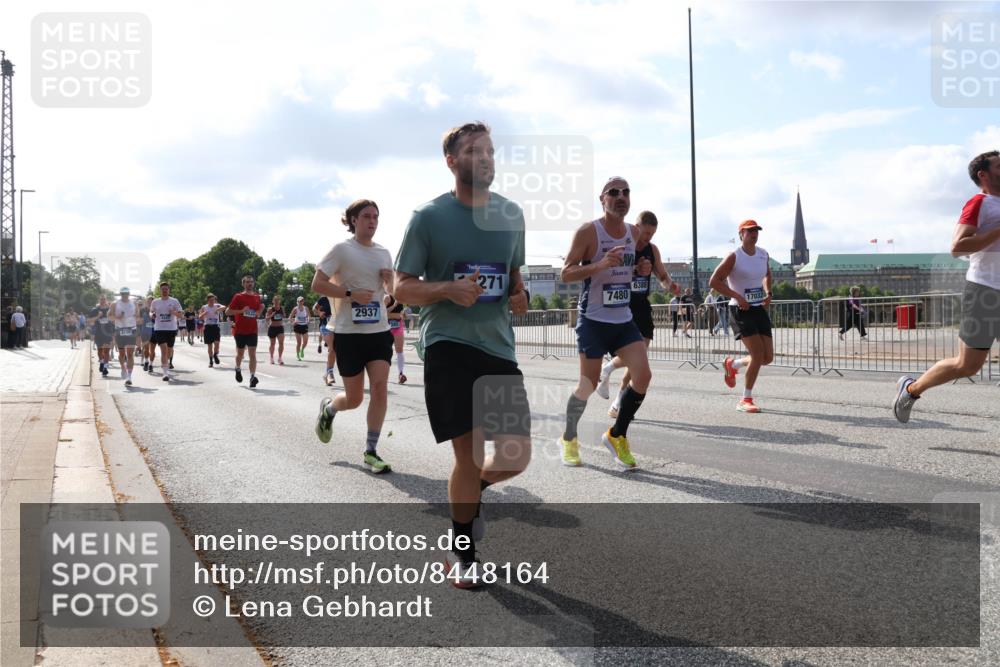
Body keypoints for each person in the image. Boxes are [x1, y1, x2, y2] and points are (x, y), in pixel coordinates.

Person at [394, 122, 531, 586]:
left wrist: (519, 294)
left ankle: (468, 499)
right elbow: (401, 287)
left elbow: (515, 277)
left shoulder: (512, 214)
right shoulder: (428, 217)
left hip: (498, 346)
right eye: (475, 151)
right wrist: (447, 289)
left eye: (491, 150)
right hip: (448, 345)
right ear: (452, 161)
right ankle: (462, 550)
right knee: (468, 456)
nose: (487, 157)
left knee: (515, 456)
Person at [894, 150, 1000, 423]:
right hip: (985, 291)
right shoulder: (979, 203)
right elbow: (957, 247)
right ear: (983, 174)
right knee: (967, 366)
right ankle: (912, 389)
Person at [558, 176, 651, 470]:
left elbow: (624, 272)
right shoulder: (588, 232)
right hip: (594, 319)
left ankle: (616, 434)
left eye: (626, 192)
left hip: (623, 318)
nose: (620, 196)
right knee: (586, 385)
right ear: (602, 199)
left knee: (644, 376)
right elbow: (566, 273)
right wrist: (598, 265)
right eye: (614, 192)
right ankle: (569, 437)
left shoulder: (634, 233)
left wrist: (639, 268)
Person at [313, 199, 396, 474]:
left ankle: (371, 451)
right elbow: (318, 284)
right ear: (353, 220)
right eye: (366, 216)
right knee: (355, 398)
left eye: (376, 216)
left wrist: (390, 281)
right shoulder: (341, 250)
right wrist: (350, 294)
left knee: (381, 388)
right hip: (349, 334)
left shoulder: (384, 253)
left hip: (379, 331)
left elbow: (394, 293)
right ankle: (330, 409)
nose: (372, 221)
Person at [595, 211, 680, 417]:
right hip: (622, 304)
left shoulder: (652, 250)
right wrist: (635, 269)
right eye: (645, 233)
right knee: (632, 357)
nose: (647, 238)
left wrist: (670, 286)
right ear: (636, 227)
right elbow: (610, 272)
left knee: (638, 360)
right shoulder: (625, 246)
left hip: (642, 306)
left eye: (652, 234)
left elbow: (661, 274)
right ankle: (607, 370)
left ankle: (618, 401)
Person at [710, 219, 774, 413]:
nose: (754, 234)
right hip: (740, 309)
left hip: (757, 308)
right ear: (741, 235)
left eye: (756, 231)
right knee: (756, 355)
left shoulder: (763, 254)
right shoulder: (734, 256)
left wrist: (768, 292)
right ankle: (745, 399)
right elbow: (714, 281)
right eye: (749, 231)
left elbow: (767, 274)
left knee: (767, 357)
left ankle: (734, 364)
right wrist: (738, 296)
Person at [226, 275, 262, 387]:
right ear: (243, 284)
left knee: (253, 354)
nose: (249, 284)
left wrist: (260, 309)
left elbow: (257, 314)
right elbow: (227, 312)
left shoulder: (257, 297)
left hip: (252, 330)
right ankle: (237, 368)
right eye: (247, 282)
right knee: (240, 354)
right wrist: (241, 310)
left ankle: (252, 377)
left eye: (251, 282)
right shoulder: (238, 297)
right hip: (240, 330)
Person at [149, 282, 184, 381]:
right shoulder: (155, 301)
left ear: (169, 290)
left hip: (171, 329)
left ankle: (166, 364)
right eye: (163, 289)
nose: (164, 291)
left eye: (166, 289)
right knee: (163, 350)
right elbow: (151, 311)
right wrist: (151, 315)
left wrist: (173, 312)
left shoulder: (174, 301)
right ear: (160, 290)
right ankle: (165, 373)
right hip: (159, 329)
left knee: (169, 352)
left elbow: (181, 314)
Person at [112, 288, 138, 385]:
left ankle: (129, 376)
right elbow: (110, 316)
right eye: (123, 293)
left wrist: (137, 317)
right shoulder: (115, 304)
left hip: (131, 329)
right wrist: (117, 317)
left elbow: (137, 315)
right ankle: (123, 367)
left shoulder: (134, 304)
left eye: (126, 293)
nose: (125, 295)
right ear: (120, 294)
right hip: (120, 329)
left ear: (129, 294)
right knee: (122, 354)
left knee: (130, 354)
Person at [89, 295, 116, 376]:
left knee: (106, 351)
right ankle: (101, 362)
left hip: (107, 333)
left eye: (104, 299)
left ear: (106, 300)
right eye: (101, 299)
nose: (103, 301)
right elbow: (90, 321)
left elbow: (114, 319)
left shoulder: (110, 310)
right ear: (99, 300)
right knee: (100, 350)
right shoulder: (95, 310)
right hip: (98, 333)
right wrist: (98, 316)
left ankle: (105, 367)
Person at [385, 293, 408, 383]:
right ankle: (384, 375)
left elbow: (400, 313)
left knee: (399, 350)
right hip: (387, 326)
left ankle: (401, 374)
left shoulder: (401, 298)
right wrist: (394, 305)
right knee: (386, 351)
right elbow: (383, 312)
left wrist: (403, 315)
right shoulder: (387, 297)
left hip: (398, 325)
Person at [313, 295, 336, 385]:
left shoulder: (339, 297)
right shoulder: (323, 299)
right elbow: (314, 308)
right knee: (332, 347)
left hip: (338, 326)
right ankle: (330, 373)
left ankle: (326, 375)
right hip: (325, 326)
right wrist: (319, 313)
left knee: (335, 350)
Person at [199, 294, 224, 368]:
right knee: (209, 346)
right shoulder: (204, 307)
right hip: (208, 327)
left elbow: (224, 307)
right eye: (211, 300)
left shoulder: (217, 305)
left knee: (217, 343)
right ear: (208, 300)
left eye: (213, 300)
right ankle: (210, 361)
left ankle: (215, 355)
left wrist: (218, 309)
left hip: (215, 326)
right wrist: (204, 313)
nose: (212, 301)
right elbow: (200, 317)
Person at [265, 295, 286, 365]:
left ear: (279, 301)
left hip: (280, 327)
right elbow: (266, 318)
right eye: (275, 300)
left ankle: (280, 358)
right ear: (273, 301)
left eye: (278, 300)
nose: (276, 302)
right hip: (272, 328)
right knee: (272, 344)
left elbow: (284, 316)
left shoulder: (281, 308)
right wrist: (271, 315)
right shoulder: (270, 309)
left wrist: (283, 315)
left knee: (281, 343)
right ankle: (271, 358)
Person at [290, 296, 311, 361]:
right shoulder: (295, 309)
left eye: (302, 301)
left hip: (304, 326)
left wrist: (308, 320)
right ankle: (298, 355)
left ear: (303, 301)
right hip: (297, 326)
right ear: (297, 302)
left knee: (306, 342)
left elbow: (309, 316)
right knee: (299, 342)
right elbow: (290, 317)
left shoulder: (306, 308)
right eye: (299, 301)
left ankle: (302, 350)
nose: (301, 302)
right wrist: (293, 322)